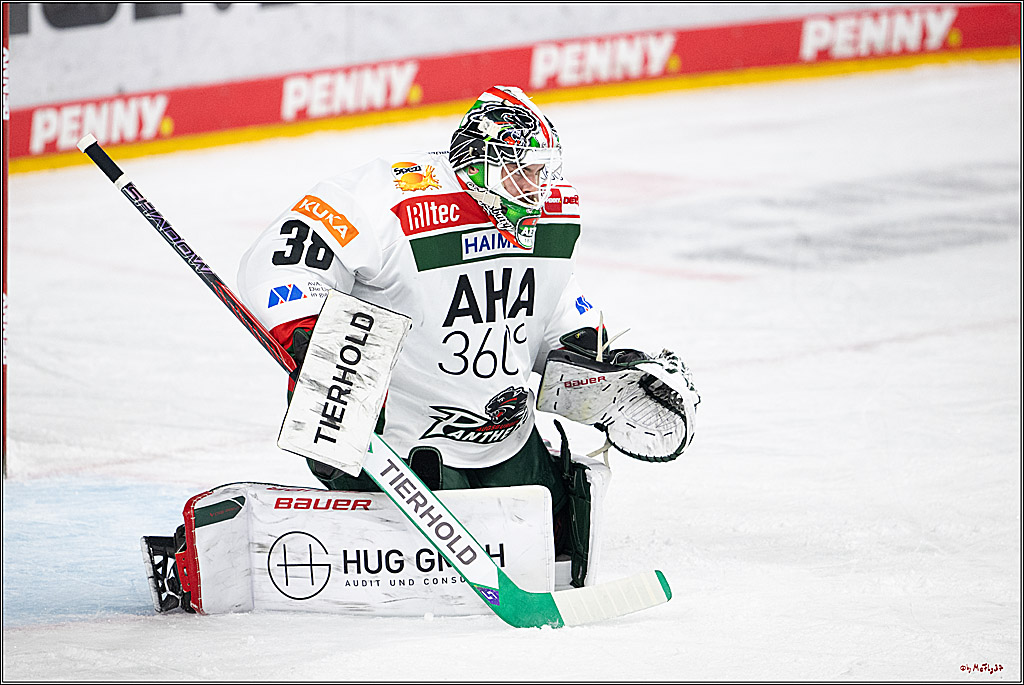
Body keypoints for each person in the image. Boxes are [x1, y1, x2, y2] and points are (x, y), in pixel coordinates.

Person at [142, 85, 699, 613]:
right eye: (523, 171)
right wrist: (311, 335)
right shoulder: (386, 198)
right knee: (402, 557)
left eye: (543, 172)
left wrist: (591, 357)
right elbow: (279, 262)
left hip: (507, 438)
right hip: (397, 443)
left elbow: (551, 301)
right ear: (481, 161)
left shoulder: (552, 212)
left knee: (557, 545)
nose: (538, 188)